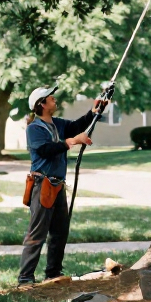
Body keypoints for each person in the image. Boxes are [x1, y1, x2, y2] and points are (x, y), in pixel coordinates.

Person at [17, 84, 106, 285]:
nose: (54, 99)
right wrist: (73, 141)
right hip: (42, 185)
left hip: (57, 185)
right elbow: (46, 150)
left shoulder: (58, 123)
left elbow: (76, 126)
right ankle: (25, 278)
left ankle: (53, 274)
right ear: (41, 104)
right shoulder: (34, 128)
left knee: (60, 231)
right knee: (37, 232)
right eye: (51, 98)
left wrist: (94, 112)